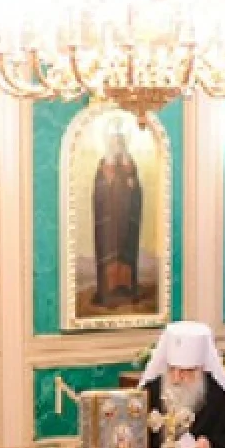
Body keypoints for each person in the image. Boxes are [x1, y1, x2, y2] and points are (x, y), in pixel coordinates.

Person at [139, 321, 225, 448]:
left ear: (200, 370)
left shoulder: (214, 393)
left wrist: (211, 445)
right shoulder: (151, 390)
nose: (176, 379)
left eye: (185, 371)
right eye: (171, 369)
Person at [93, 117, 142, 307]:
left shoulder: (130, 164)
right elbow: (98, 191)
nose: (117, 145)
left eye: (120, 142)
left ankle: (127, 289)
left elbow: (136, 189)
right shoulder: (103, 163)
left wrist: (132, 182)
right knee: (109, 251)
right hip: (108, 219)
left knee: (126, 251)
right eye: (114, 141)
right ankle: (107, 291)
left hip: (126, 216)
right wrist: (108, 177)